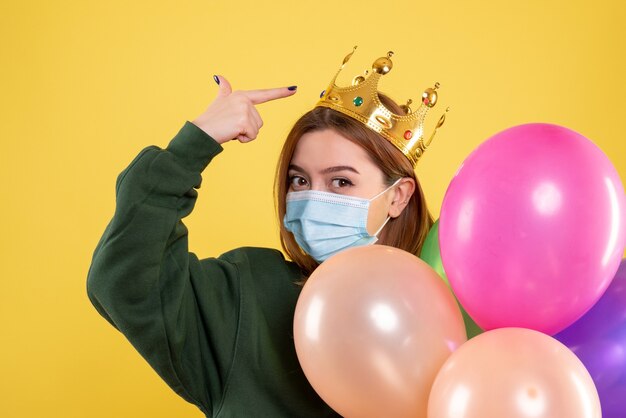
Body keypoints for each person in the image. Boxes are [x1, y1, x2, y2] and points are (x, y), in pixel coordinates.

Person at [86, 48, 441, 417]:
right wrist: (193, 145)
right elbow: (123, 282)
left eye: (340, 181)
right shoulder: (251, 296)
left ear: (398, 196)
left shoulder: (447, 311)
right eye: (300, 180)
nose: (314, 198)